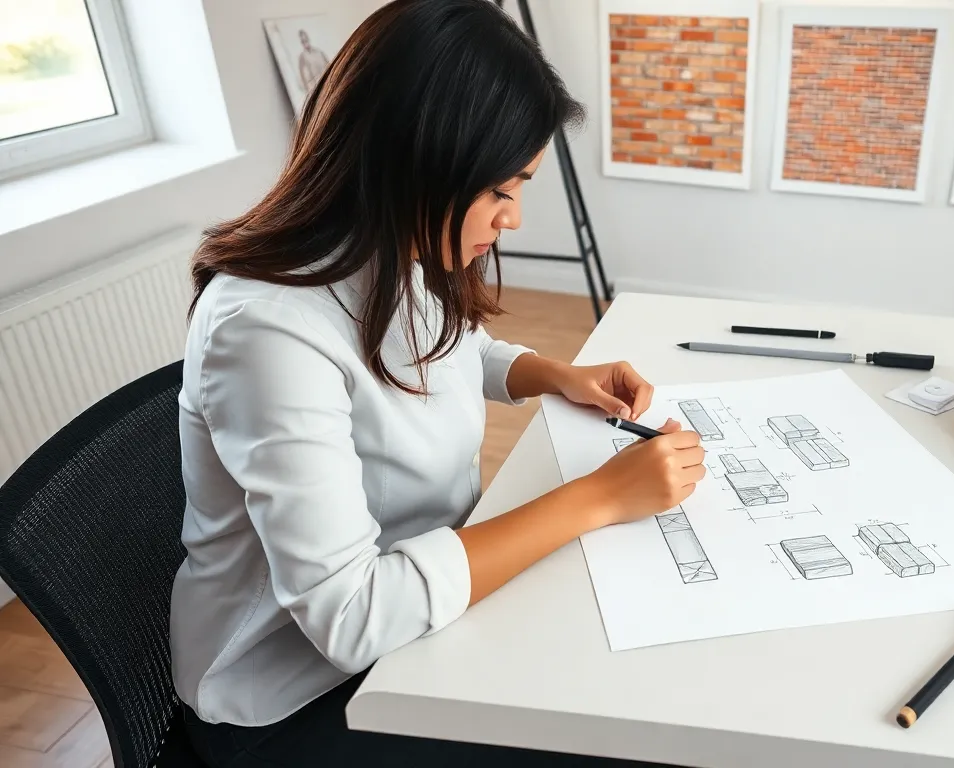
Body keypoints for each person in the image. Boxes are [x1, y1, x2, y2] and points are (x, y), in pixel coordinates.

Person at [170, 1, 704, 765]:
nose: (512, 220)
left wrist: (551, 373)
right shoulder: (265, 330)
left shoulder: (385, 250)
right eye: (501, 190)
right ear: (416, 159)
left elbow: (446, 348)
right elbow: (350, 618)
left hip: (421, 612)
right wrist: (600, 498)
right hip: (294, 694)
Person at [295, 29, 329, 93]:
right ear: (301, 43)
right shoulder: (302, 57)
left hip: (327, 82)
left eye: (306, 40)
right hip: (316, 88)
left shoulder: (319, 52)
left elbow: (328, 64)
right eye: (303, 41)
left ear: (308, 39)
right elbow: (302, 76)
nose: (305, 43)